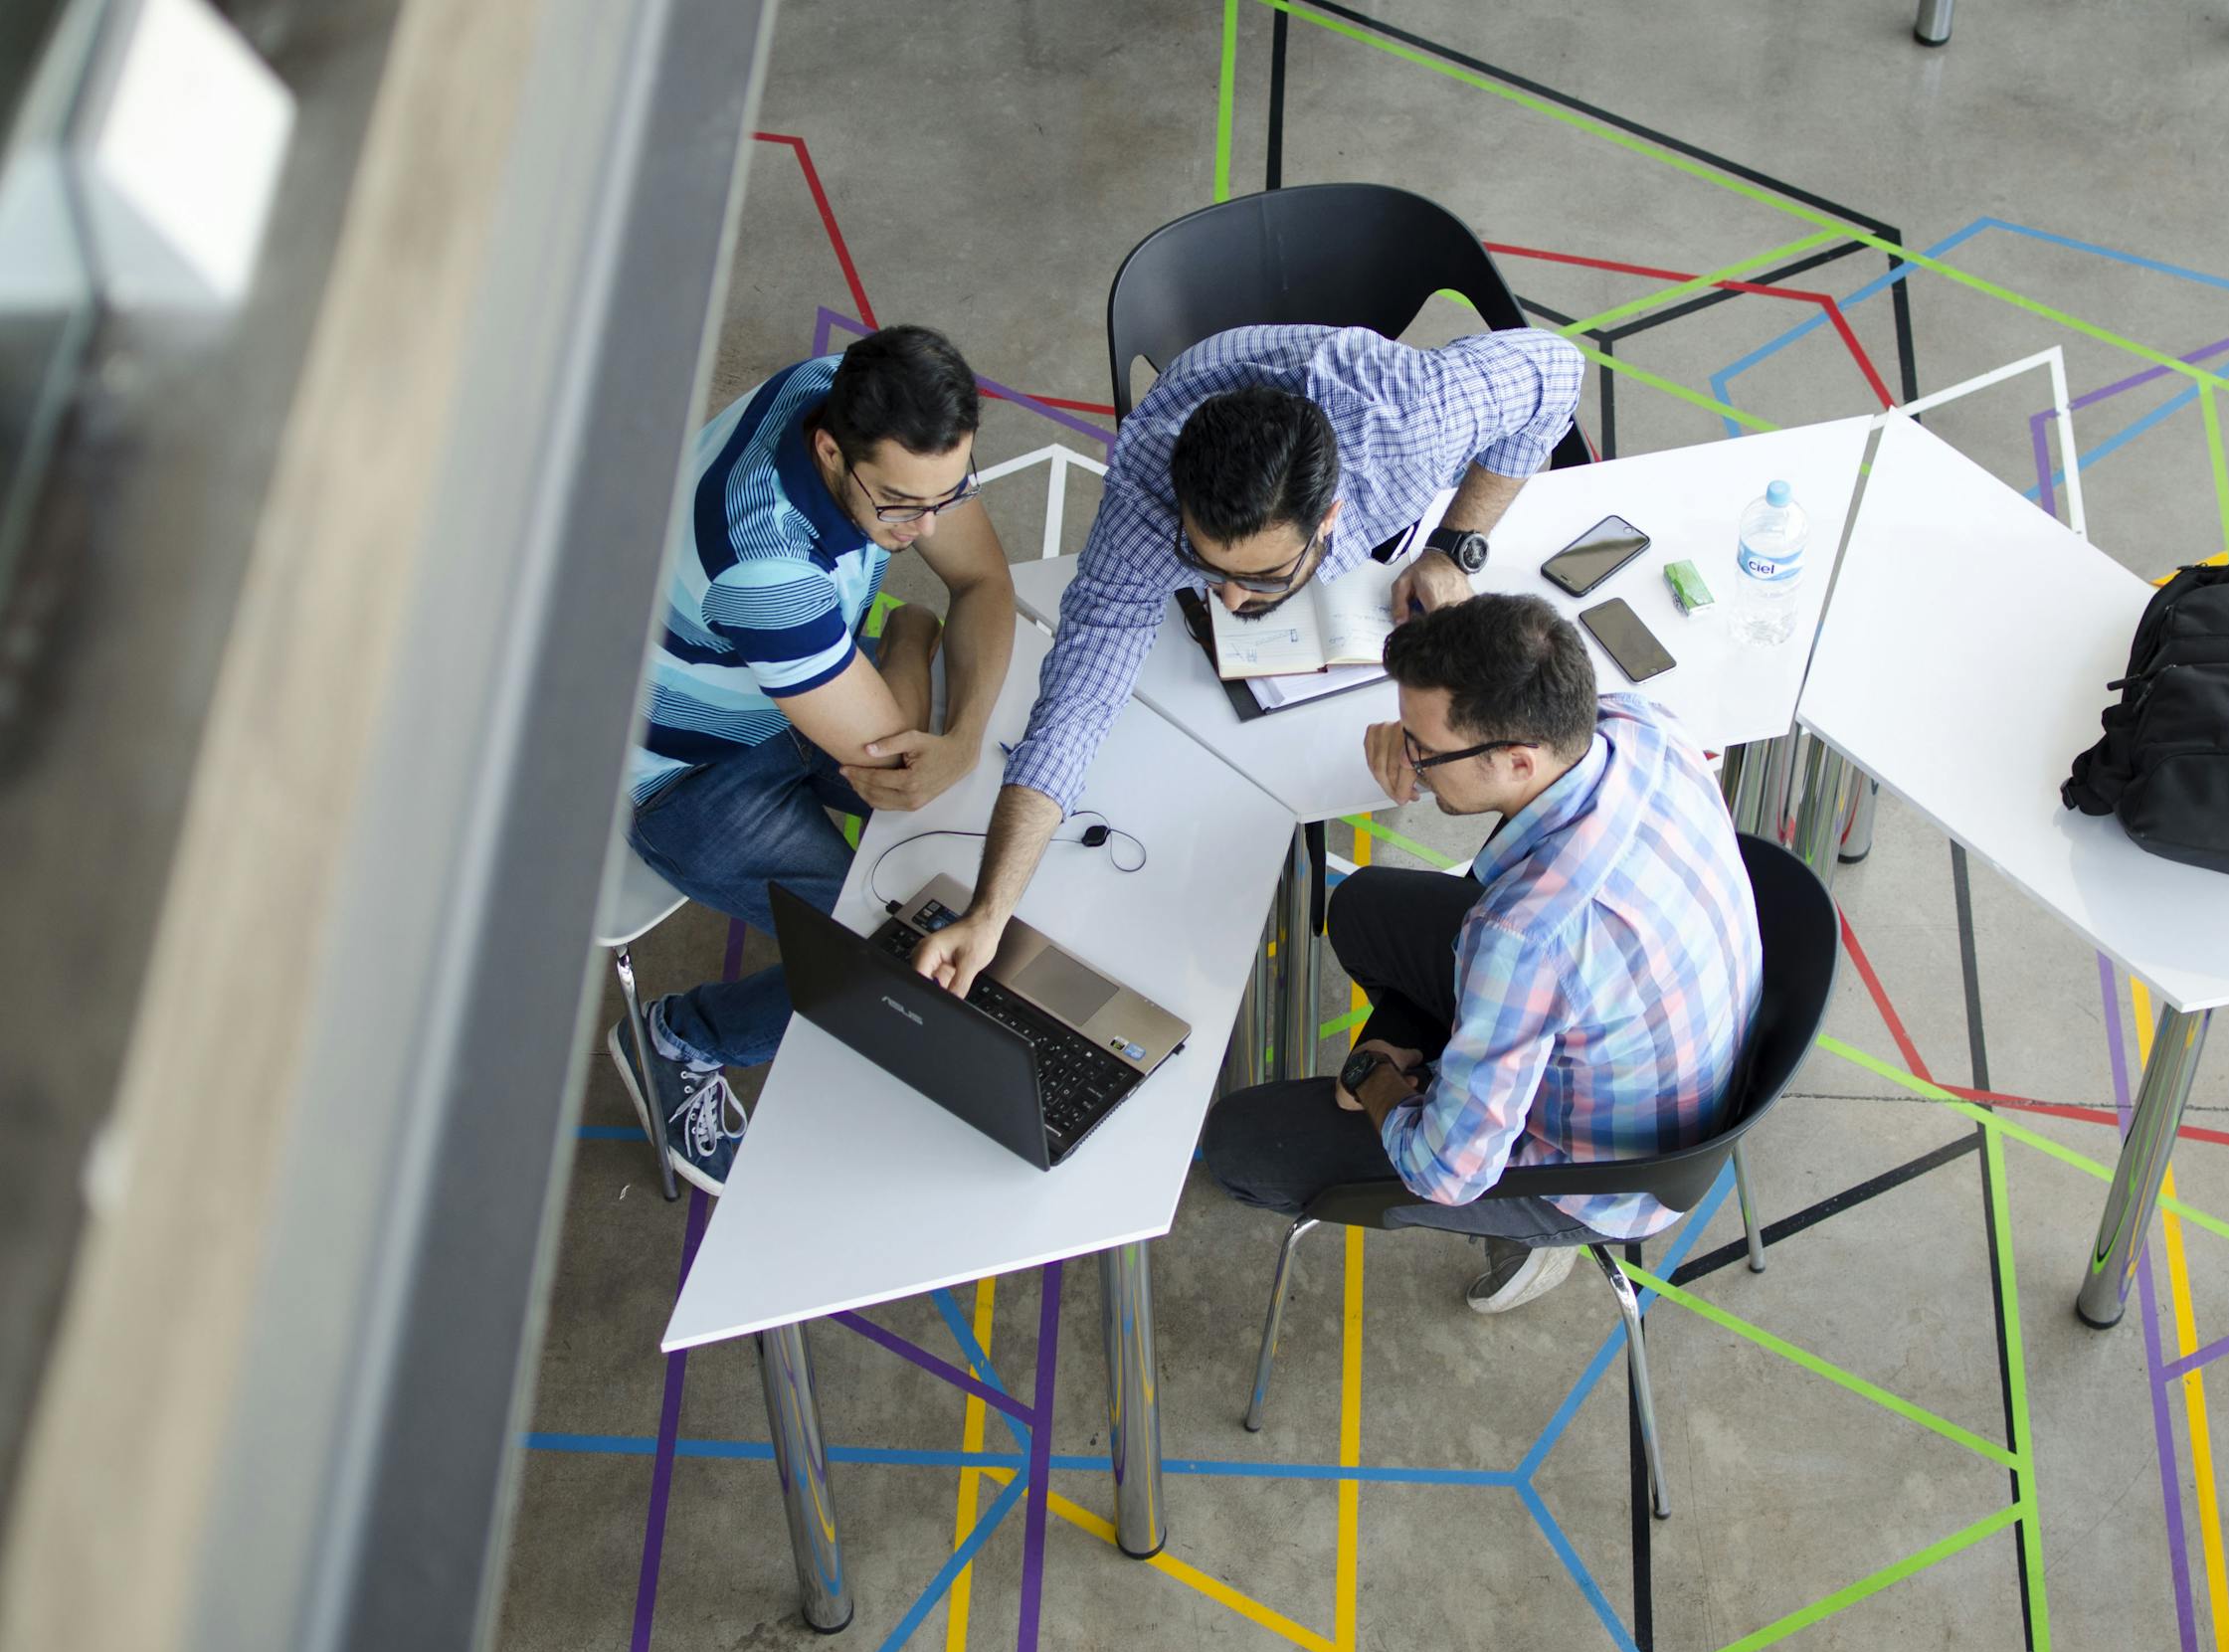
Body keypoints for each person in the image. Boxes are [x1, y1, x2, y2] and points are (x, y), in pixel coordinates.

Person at [909, 323, 1584, 997]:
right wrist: (990, 910)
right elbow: (1075, 704)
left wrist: (1454, 543)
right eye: (1205, 565)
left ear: (1330, 519)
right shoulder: (1146, 495)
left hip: (1361, 399)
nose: (1229, 599)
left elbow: (1558, 371)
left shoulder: (1411, 422)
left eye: (1262, 578)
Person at [1201, 594, 1764, 1313]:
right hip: (1671, 1050)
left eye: (1423, 749)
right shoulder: (1639, 725)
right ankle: (1452, 1069)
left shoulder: (1524, 935)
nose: (1410, 760)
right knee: (1362, 908)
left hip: (1600, 1175)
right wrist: (1412, 738)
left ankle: (1532, 1237)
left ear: (1518, 759)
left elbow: (1445, 1169)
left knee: (1239, 1143)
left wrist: (1375, 1074)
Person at [610, 326, 1016, 1193]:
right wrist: (911, 634)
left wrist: (966, 734)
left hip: (789, 686)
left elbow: (983, 581)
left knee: (966, 822)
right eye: (902, 506)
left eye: (951, 493)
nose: (929, 526)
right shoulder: (765, 564)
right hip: (686, 772)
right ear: (830, 451)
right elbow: (901, 758)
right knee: (877, 957)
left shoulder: (859, 398)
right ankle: (682, 1037)